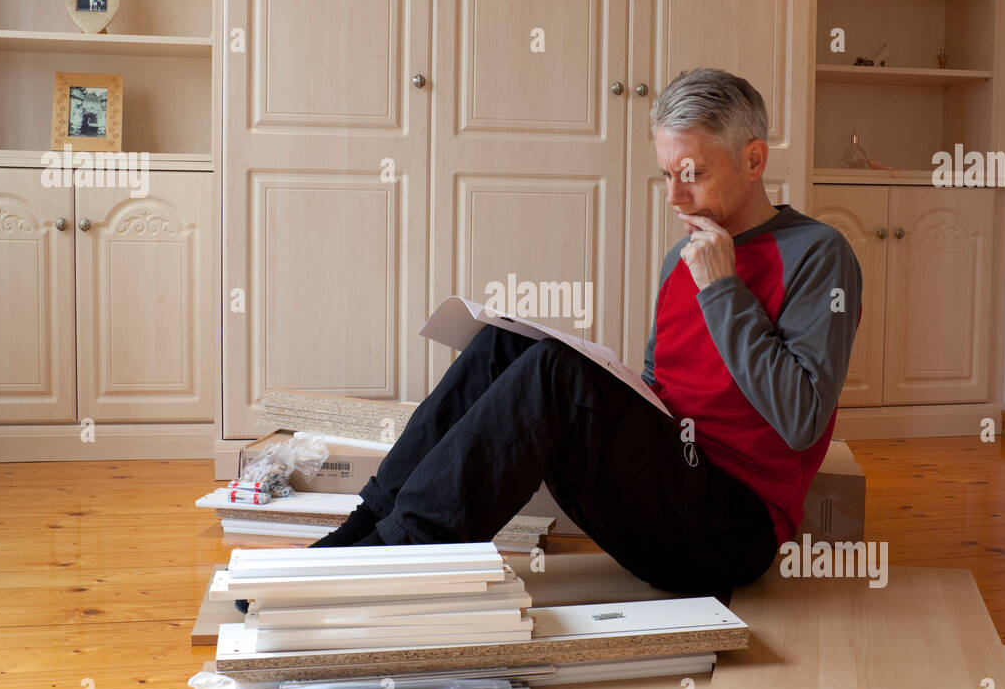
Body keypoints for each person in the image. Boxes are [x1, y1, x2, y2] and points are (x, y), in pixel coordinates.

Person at [286, 69, 861, 596]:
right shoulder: (681, 257)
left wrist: (722, 291)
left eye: (693, 175)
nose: (674, 197)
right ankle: (364, 528)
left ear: (754, 160)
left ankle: (399, 558)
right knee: (508, 343)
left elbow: (802, 418)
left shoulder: (818, 254)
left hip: (729, 532)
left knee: (556, 375)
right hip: (662, 496)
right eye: (667, 175)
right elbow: (663, 390)